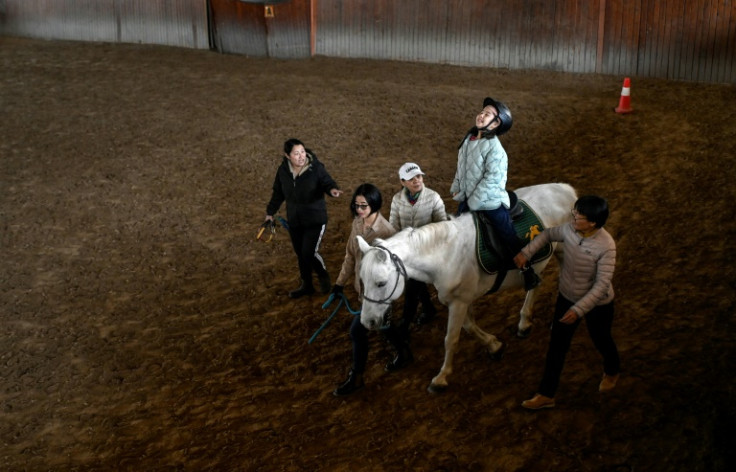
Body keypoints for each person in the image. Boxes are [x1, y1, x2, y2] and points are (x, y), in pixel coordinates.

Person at [514, 195, 620, 410]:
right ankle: (546, 394)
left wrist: (579, 309)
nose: (573, 218)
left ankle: (612, 369)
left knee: (601, 339)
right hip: (567, 297)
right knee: (557, 346)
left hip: (597, 306)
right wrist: (527, 252)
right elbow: (548, 234)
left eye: (578, 216)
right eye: (574, 213)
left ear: (592, 223)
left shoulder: (606, 247)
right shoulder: (570, 230)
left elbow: (601, 286)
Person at [450, 96, 539, 291]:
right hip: (469, 197)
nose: (481, 115)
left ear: (496, 123)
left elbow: (492, 180)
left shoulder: (496, 150)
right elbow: (462, 168)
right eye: (482, 112)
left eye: (487, 114)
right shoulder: (469, 139)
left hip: (490, 200)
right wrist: (457, 186)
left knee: (505, 231)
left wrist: (474, 200)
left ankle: (526, 269)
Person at [332, 184, 397, 396]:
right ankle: (403, 351)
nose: (359, 209)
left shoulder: (386, 232)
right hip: (364, 291)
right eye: (356, 205)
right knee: (384, 327)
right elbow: (351, 255)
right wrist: (339, 283)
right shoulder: (357, 223)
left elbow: (390, 271)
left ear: (374, 205)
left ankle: (357, 377)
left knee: (357, 331)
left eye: (363, 206)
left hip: (378, 295)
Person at [383, 162, 448, 372]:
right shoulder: (397, 200)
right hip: (408, 252)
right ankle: (428, 309)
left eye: (419, 177)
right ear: (403, 182)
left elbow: (442, 225)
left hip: (429, 251)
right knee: (414, 283)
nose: (417, 180)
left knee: (412, 288)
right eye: (412, 179)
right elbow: (394, 226)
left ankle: (406, 322)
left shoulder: (434, 197)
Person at [264, 138, 342, 299]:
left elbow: (327, 182)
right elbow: (278, 193)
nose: (301, 156)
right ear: (287, 155)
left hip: (315, 219)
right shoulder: (283, 171)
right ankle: (307, 285)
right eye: (296, 153)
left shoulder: (316, 168)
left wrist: (332, 190)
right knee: (300, 253)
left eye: (303, 152)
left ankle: (322, 274)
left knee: (309, 252)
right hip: (295, 220)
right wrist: (270, 212)